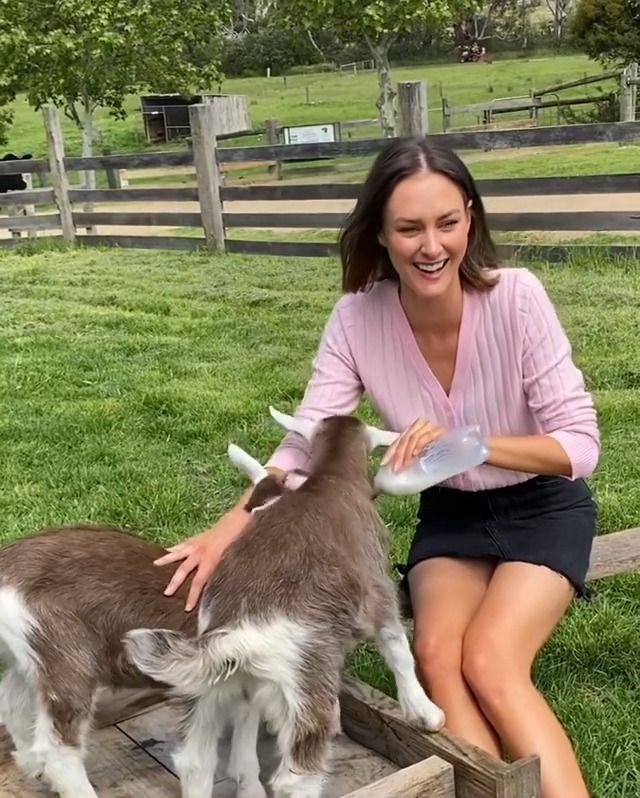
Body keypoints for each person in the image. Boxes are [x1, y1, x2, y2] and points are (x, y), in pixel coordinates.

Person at [156, 137, 599, 798]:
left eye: (447, 223)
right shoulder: (356, 319)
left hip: (545, 505)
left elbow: (578, 446)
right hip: (452, 515)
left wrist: (471, 443)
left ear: (470, 218)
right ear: (381, 235)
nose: (432, 246)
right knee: (436, 660)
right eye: (409, 228)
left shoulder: (517, 297)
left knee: (490, 661)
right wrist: (228, 528)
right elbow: (306, 441)